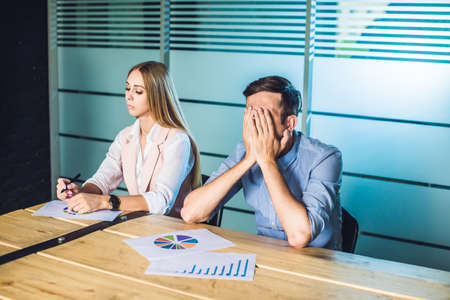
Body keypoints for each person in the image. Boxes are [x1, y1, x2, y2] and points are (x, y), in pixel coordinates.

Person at [181, 76, 342, 250]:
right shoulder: (246, 150)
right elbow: (190, 213)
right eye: (251, 114)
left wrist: (267, 161)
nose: (256, 122)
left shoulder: (326, 157)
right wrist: (250, 158)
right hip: (269, 254)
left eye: (264, 114)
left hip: (318, 262)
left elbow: (299, 237)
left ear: (290, 123)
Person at [56, 61, 201, 217]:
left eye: (138, 91)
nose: (129, 96)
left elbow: (162, 201)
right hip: (138, 226)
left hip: (171, 232)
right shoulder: (125, 136)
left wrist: (104, 202)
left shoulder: (177, 140)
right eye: (127, 88)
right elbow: (102, 179)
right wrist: (80, 193)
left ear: (157, 95)